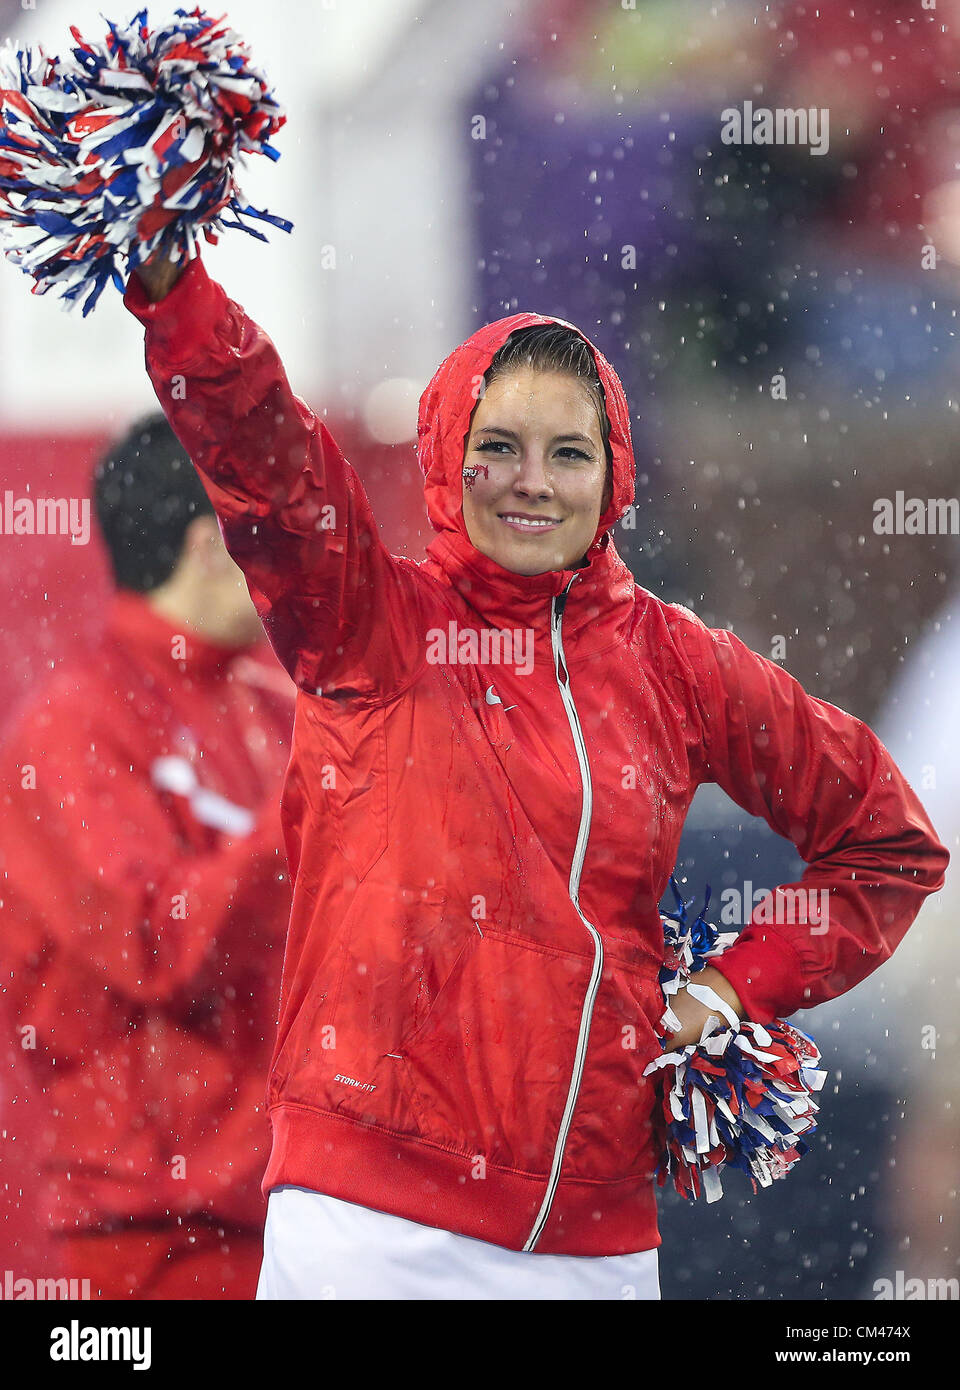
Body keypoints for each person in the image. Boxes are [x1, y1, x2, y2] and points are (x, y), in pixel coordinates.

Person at [124, 251, 948, 1301]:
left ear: (616, 474)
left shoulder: (677, 662)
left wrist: (731, 988)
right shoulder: (367, 621)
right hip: (368, 1230)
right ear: (441, 453)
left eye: (570, 451)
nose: (533, 481)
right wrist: (174, 291)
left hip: (595, 1250)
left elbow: (889, 841)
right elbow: (265, 453)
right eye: (499, 446)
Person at [0, 415, 294, 1299]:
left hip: (294, 1205)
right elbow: (150, 943)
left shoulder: (272, 706)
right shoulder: (71, 728)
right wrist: (316, 805)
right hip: (152, 1238)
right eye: (268, 525)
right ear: (211, 545)